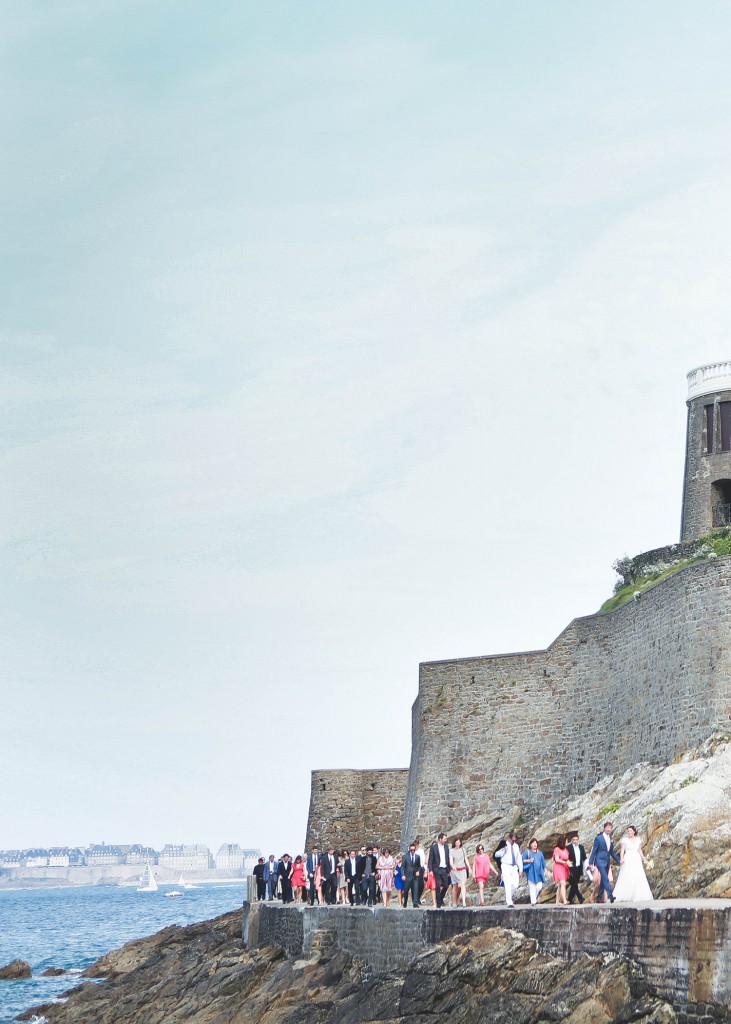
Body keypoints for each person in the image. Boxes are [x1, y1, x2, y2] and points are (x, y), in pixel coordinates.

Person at [612, 826, 653, 902]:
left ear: (634, 831)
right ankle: (626, 894)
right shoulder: (625, 840)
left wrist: (644, 859)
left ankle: (638, 894)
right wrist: (621, 858)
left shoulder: (638, 840)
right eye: (628, 831)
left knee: (638, 875)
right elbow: (622, 850)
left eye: (631, 831)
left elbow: (640, 851)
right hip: (628, 858)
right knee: (628, 874)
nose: (629, 832)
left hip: (636, 859)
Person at [588, 822, 620, 904]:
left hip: (607, 861)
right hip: (599, 861)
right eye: (607, 827)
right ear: (604, 828)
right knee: (606, 878)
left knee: (602, 880)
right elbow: (594, 851)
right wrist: (590, 862)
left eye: (610, 828)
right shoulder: (599, 838)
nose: (609, 829)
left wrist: (618, 860)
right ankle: (610, 895)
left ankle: (599, 897)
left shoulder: (610, 839)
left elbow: (612, 852)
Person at [494, 832, 522, 907]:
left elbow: (518, 858)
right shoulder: (504, 844)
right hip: (506, 865)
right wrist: (503, 851)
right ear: (509, 838)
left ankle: (508, 896)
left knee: (516, 885)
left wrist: (521, 869)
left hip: (514, 866)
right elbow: (496, 854)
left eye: (514, 839)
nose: (513, 841)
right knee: (507, 883)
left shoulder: (516, 846)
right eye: (512, 839)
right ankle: (509, 902)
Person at [428, 833, 451, 908]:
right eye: (444, 839)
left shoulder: (446, 847)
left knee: (446, 885)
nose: (445, 840)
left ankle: (440, 899)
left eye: (446, 839)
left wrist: (449, 868)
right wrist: (430, 870)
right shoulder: (433, 847)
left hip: (444, 868)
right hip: (437, 869)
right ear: (440, 839)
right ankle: (438, 903)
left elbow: (447, 858)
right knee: (438, 885)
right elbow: (430, 860)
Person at [522, 839, 546, 905]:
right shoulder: (528, 852)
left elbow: (543, 862)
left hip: (539, 872)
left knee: (539, 886)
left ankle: (534, 898)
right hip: (531, 872)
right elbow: (522, 860)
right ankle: (533, 902)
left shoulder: (540, 853)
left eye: (536, 843)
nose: (535, 844)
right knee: (532, 886)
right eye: (533, 843)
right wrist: (529, 860)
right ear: (530, 845)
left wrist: (545, 869)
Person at [566, 833, 586, 904]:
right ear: (571, 840)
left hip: (579, 867)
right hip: (571, 868)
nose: (575, 841)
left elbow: (584, 857)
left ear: (578, 839)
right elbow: (566, 857)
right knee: (574, 883)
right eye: (573, 840)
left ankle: (569, 899)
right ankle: (580, 897)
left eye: (576, 839)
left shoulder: (581, 847)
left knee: (574, 884)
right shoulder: (568, 848)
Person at [449, 838, 470, 907]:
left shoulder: (463, 850)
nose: (458, 843)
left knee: (463, 884)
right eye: (456, 842)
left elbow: (466, 859)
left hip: (462, 869)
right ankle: (454, 902)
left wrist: (469, 868)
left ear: (460, 843)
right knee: (455, 886)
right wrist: (453, 866)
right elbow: (451, 861)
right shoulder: (451, 850)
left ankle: (464, 902)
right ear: (454, 843)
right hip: (455, 870)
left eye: (459, 842)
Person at [402, 842, 423, 908]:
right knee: (406, 890)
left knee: (415, 890)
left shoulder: (417, 857)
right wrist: (403, 875)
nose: (412, 851)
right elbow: (403, 867)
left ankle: (415, 903)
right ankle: (405, 901)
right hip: (407, 876)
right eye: (411, 850)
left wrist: (418, 871)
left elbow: (419, 866)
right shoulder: (405, 856)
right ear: (409, 849)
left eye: (413, 850)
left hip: (415, 876)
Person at [552, 836, 570, 905]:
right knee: (563, 883)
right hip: (558, 867)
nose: (567, 843)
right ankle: (564, 900)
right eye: (566, 841)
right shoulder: (557, 849)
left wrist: (569, 863)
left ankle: (557, 901)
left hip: (564, 867)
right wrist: (565, 862)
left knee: (560, 884)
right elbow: (557, 859)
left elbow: (567, 858)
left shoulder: (566, 850)